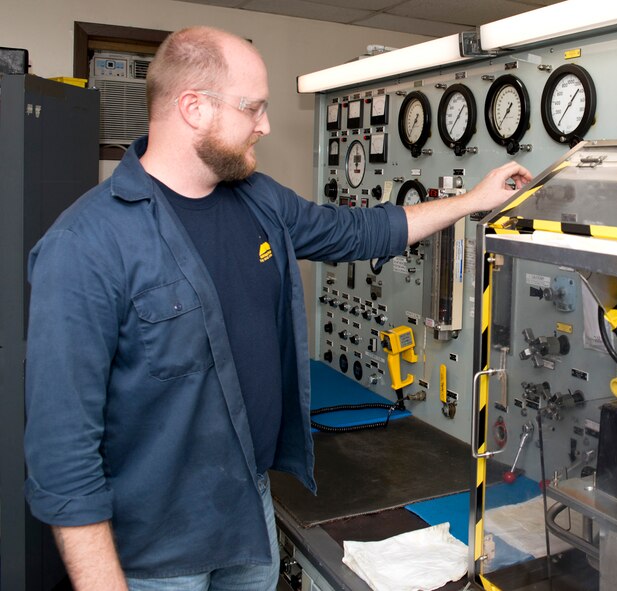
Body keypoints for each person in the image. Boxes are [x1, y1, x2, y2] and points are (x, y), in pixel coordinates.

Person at [23, 25, 531, 591]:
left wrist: (474, 201)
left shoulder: (259, 200)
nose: (265, 124)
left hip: (250, 510)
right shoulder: (86, 245)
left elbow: (356, 232)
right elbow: (62, 452)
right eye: (253, 108)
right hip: (157, 548)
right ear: (194, 108)